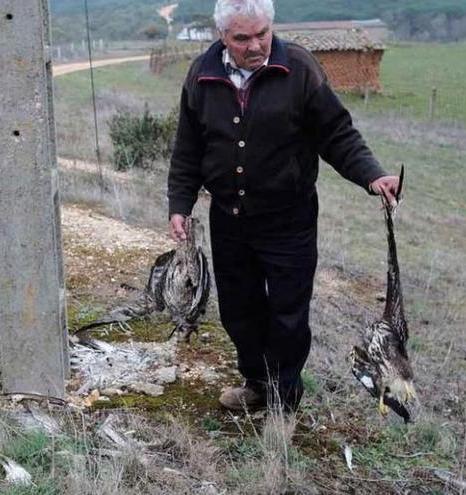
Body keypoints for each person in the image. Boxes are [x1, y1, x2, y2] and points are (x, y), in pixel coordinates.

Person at [167, 0, 401, 413]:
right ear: (223, 36)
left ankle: (283, 400)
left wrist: (372, 175)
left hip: (289, 220)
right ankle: (257, 383)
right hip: (229, 220)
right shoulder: (201, 75)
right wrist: (179, 204)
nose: (255, 45)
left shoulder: (299, 68)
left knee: (288, 316)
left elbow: (337, 134)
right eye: (242, 38)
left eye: (262, 34)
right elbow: (189, 148)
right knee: (239, 311)